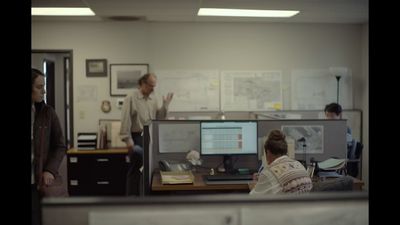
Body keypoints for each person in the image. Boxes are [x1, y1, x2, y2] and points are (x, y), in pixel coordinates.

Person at [120, 73, 173, 195]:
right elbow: (125, 120)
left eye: (154, 86)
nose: (153, 89)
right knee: (135, 171)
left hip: (149, 137)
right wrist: (128, 141)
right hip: (137, 138)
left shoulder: (153, 98)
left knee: (148, 170)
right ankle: (132, 201)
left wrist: (165, 106)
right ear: (143, 84)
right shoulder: (131, 98)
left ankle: (146, 199)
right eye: (151, 86)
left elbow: (158, 118)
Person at [32, 68, 68, 225]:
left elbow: (60, 145)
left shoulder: (48, 113)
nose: (44, 91)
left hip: (36, 181)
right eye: (39, 87)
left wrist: (49, 170)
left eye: (44, 86)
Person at [249, 130, 312, 195]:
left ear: (268, 152)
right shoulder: (300, 165)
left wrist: (254, 185)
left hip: (284, 205)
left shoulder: (268, 173)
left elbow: (253, 199)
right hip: (302, 205)